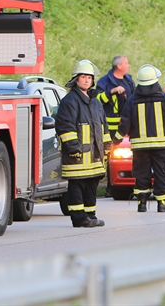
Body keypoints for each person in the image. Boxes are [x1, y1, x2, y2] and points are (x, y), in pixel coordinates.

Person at [115, 64, 165, 212]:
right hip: (162, 145)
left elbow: (125, 122)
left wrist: (116, 140)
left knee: (141, 174)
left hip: (140, 146)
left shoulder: (132, 100)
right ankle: (162, 204)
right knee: (161, 173)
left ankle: (142, 204)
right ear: (155, 80)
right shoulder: (164, 98)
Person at [56, 59, 111, 228]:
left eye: (89, 77)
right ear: (76, 79)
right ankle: (79, 218)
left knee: (91, 185)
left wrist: (107, 146)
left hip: (94, 157)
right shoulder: (70, 101)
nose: (87, 80)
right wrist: (73, 147)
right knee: (77, 186)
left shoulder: (95, 101)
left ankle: (90, 215)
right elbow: (65, 126)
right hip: (78, 156)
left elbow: (103, 126)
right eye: (83, 77)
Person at [95, 54, 135, 197]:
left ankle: (132, 184)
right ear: (119, 66)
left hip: (128, 126)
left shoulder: (129, 80)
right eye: (126, 63)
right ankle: (110, 187)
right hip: (111, 128)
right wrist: (110, 92)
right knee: (111, 157)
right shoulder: (105, 82)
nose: (128, 66)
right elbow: (97, 100)